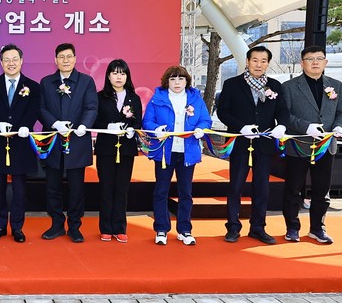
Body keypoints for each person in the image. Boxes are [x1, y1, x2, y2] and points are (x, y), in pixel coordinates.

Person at [217, 45, 289, 244]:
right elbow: (222, 112)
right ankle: (233, 227)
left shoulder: (275, 86)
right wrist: (241, 127)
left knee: (262, 187)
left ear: (268, 63)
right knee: (236, 186)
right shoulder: (232, 84)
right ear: (247, 62)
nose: (259, 64)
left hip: (265, 144)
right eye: (255, 60)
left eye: (263, 61)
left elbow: (283, 111)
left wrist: (282, 125)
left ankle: (258, 227)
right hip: (240, 142)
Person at [281, 45, 342, 244]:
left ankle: (318, 228)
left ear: (325, 62)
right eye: (310, 59)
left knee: (322, 189)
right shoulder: (289, 87)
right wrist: (306, 127)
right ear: (302, 63)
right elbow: (285, 115)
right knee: (293, 189)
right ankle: (292, 228)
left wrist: (339, 126)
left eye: (319, 58)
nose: (315, 62)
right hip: (299, 144)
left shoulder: (336, 85)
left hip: (326, 146)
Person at [143, 65, 212, 246]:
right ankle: (161, 229)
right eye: (172, 79)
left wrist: (201, 129)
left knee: (186, 192)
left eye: (180, 79)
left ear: (186, 81)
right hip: (164, 152)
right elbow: (147, 121)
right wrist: (155, 129)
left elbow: (205, 119)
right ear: (167, 81)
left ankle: (185, 230)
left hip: (187, 152)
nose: (177, 83)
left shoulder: (195, 98)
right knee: (161, 191)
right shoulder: (157, 98)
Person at [0, 44, 40, 243]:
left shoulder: (33, 86)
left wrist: (25, 126)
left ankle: (17, 227)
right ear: (1, 62)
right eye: (7, 59)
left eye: (14, 59)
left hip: (21, 144)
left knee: (20, 189)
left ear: (21, 61)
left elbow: (34, 111)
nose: (11, 63)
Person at [38, 43, 98, 243]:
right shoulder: (46, 82)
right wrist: (55, 123)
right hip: (53, 140)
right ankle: (56, 224)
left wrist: (83, 125)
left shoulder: (86, 81)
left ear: (75, 58)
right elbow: (41, 108)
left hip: (77, 141)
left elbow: (91, 107)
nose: (65, 60)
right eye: (61, 57)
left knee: (76, 187)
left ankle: (74, 226)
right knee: (52, 186)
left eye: (69, 56)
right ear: (55, 60)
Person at [92, 59, 142, 243]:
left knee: (121, 190)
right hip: (105, 149)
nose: (118, 77)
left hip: (126, 150)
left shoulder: (134, 98)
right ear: (108, 76)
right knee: (106, 189)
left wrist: (132, 130)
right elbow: (94, 121)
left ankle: (120, 228)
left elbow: (138, 122)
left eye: (122, 73)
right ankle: (105, 228)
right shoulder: (100, 97)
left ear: (127, 76)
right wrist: (108, 126)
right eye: (115, 73)